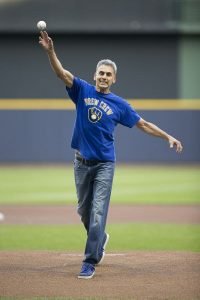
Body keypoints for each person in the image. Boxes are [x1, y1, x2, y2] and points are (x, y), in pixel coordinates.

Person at [39, 31, 183, 279]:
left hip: (105, 164)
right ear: (95, 75)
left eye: (108, 74)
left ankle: (90, 261)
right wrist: (51, 51)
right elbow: (61, 73)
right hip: (81, 163)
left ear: (114, 79)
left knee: (97, 213)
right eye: (101, 73)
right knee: (84, 212)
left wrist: (167, 136)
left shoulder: (119, 105)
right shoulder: (82, 90)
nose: (104, 77)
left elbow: (143, 124)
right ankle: (101, 238)